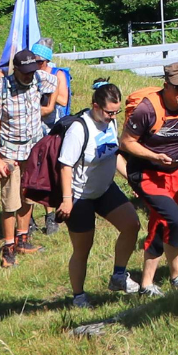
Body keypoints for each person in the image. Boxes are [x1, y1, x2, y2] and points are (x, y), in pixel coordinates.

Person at [121, 60, 178, 293]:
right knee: (173, 219)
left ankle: (171, 276)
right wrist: (154, 156)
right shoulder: (147, 109)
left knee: (164, 222)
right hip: (146, 173)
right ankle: (150, 283)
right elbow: (126, 142)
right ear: (166, 85)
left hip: (174, 174)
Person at [55, 82, 142, 304]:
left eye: (116, 112)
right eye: (109, 112)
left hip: (104, 189)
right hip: (79, 196)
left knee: (132, 225)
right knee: (83, 248)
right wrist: (67, 200)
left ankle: (118, 276)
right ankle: (78, 296)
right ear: (95, 106)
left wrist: (132, 180)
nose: (113, 117)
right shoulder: (79, 129)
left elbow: (114, 154)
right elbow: (65, 166)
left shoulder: (110, 123)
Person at [0, 48, 59, 260]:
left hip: (33, 151)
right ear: (15, 69)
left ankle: (22, 240)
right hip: (10, 152)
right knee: (10, 201)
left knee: (29, 194)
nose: (29, 76)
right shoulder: (1, 88)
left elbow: (56, 81)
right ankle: (8, 248)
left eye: (32, 71)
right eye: (25, 72)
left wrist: (49, 106)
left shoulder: (39, 78)